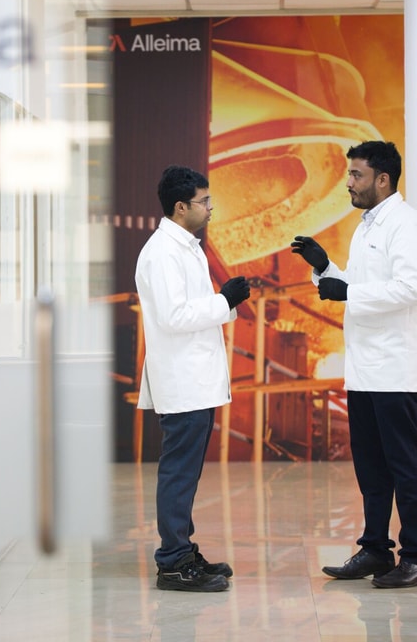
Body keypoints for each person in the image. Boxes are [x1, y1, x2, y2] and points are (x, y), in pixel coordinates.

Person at [291, 140, 417, 589]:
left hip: (396, 367)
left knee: (406, 466)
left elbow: (409, 288)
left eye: (355, 175)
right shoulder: (367, 225)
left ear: (383, 180)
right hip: (366, 369)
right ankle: (376, 548)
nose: (348, 182)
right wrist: (325, 267)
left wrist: (348, 292)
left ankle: (416, 557)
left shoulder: (407, 226)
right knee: (372, 468)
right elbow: (366, 283)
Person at [135, 165, 251, 593]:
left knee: (186, 473)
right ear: (180, 207)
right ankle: (172, 562)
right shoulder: (163, 251)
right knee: (178, 474)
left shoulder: (188, 247)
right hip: (182, 380)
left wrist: (225, 299)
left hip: (196, 378)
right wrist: (224, 300)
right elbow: (174, 316)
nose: (210, 207)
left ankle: (182, 550)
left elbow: (193, 306)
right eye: (204, 201)